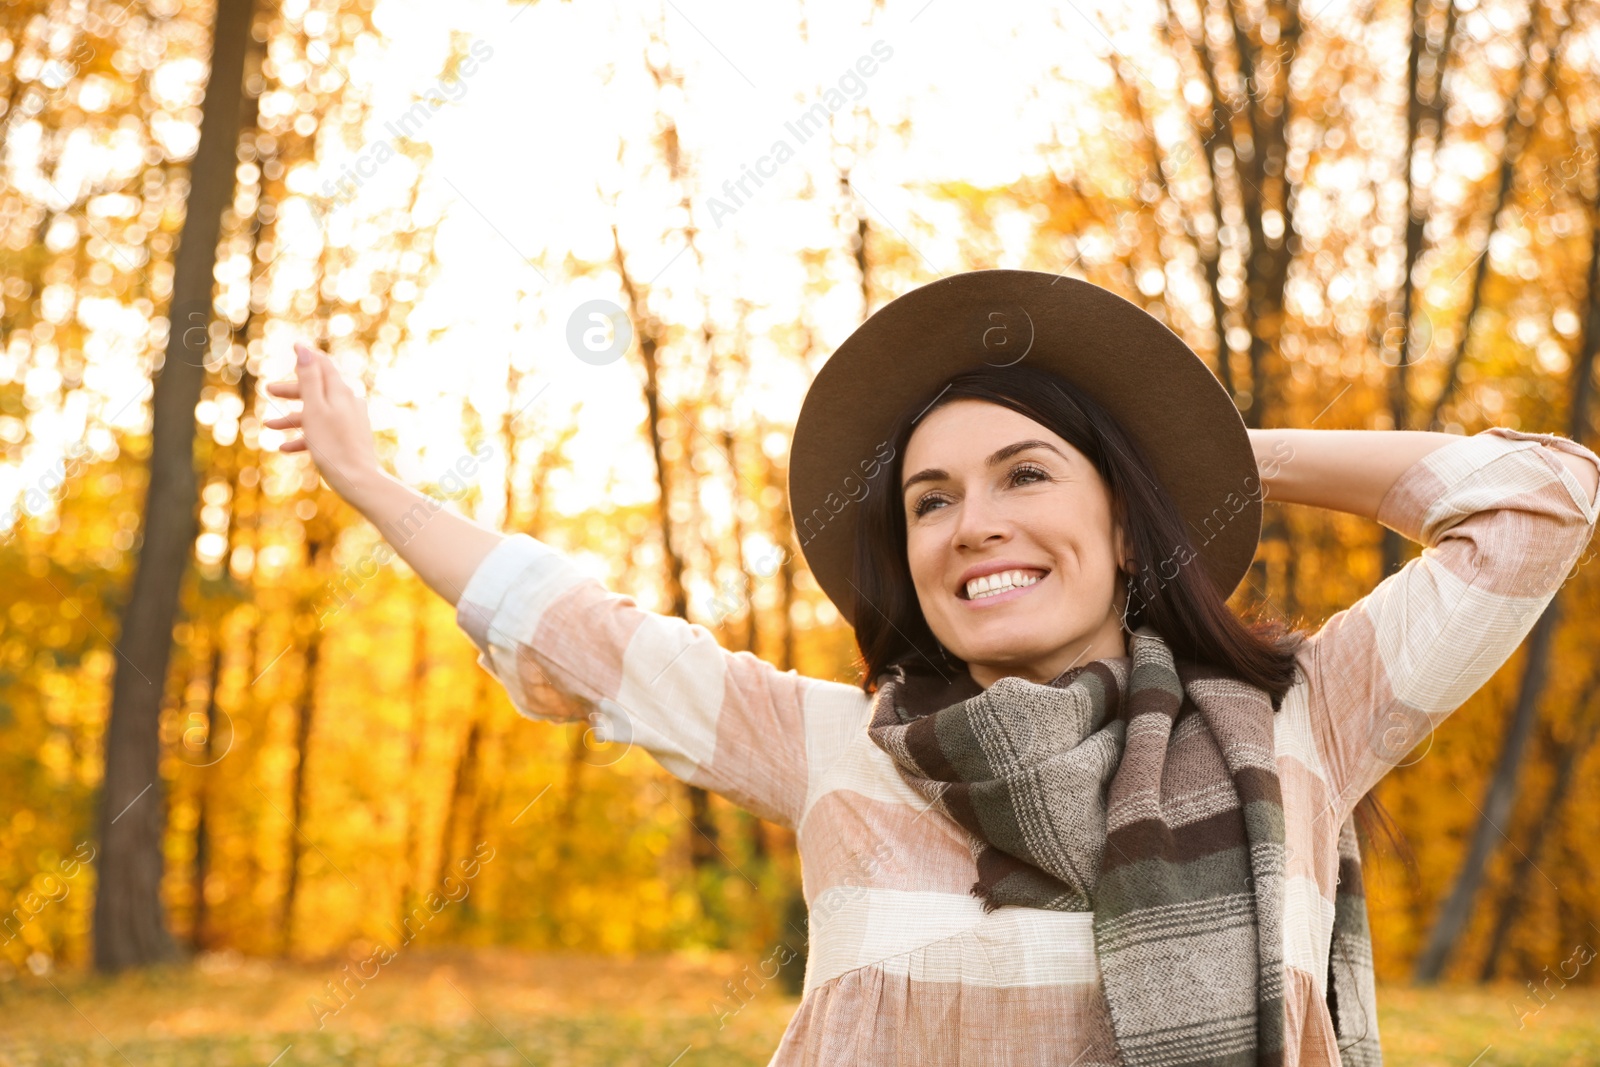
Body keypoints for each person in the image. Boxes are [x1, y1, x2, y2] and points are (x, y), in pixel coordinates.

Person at [265, 270, 1599, 1066]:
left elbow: (1537, 504)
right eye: (929, 500)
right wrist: (372, 486)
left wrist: (1203, 446)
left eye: (1029, 474)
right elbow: (574, 624)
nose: (976, 524)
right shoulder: (834, 748)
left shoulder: (1302, 725)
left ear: (1125, 522)